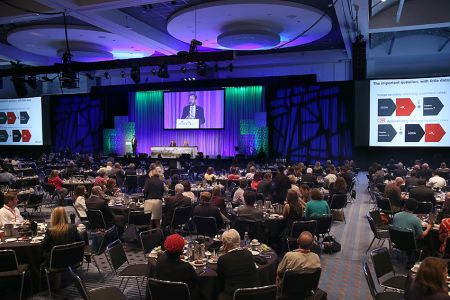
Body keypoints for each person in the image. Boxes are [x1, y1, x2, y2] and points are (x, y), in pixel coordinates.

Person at [217, 229, 259, 300]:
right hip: (254, 294)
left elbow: (220, 281)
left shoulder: (223, 259)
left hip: (234, 296)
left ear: (224, 244)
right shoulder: (248, 253)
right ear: (239, 240)